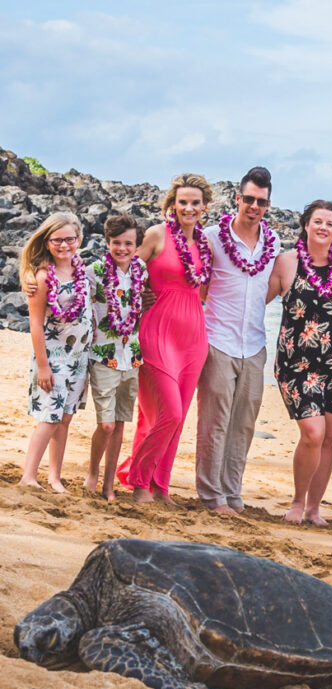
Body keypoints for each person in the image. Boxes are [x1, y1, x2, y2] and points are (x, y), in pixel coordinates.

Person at [267, 200, 332, 526]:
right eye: (318, 221)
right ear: (306, 224)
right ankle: (298, 502)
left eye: (330, 223)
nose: (324, 227)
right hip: (298, 366)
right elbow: (255, 300)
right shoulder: (286, 263)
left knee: (328, 438)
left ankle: (314, 509)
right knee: (313, 432)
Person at [117, 174, 212, 503]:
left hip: (194, 338)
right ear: (173, 204)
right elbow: (125, 268)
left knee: (177, 418)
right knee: (168, 413)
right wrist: (138, 295)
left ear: (204, 206)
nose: (188, 208)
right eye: (182, 202)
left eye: (195, 202)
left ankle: (161, 487)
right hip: (157, 331)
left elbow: (204, 290)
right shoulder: (157, 234)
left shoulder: (204, 245)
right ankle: (139, 481)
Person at [195, 167, 281, 514]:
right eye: (249, 199)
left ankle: (232, 492)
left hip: (255, 344)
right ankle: (211, 495)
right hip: (218, 339)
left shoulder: (273, 243)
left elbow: (270, 288)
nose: (254, 206)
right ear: (237, 198)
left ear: (268, 205)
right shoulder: (212, 237)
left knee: (244, 424)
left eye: (261, 201)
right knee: (214, 423)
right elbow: (199, 287)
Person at [18, 212, 92, 493]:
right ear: (47, 242)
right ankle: (28, 476)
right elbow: (35, 325)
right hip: (53, 358)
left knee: (65, 418)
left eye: (69, 239)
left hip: (78, 359)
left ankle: (54, 477)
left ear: (79, 239)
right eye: (57, 240)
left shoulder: (81, 271)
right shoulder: (41, 278)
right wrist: (43, 366)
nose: (64, 245)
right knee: (49, 417)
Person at [84, 214, 147, 501]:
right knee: (106, 424)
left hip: (131, 356)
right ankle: (92, 473)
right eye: (116, 243)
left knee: (120, 422)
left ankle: (109, 484)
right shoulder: (94, 271)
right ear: (107, 242)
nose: (122, 248)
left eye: (128, 243)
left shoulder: (141, 270)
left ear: (137, 245)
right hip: (104, 355)